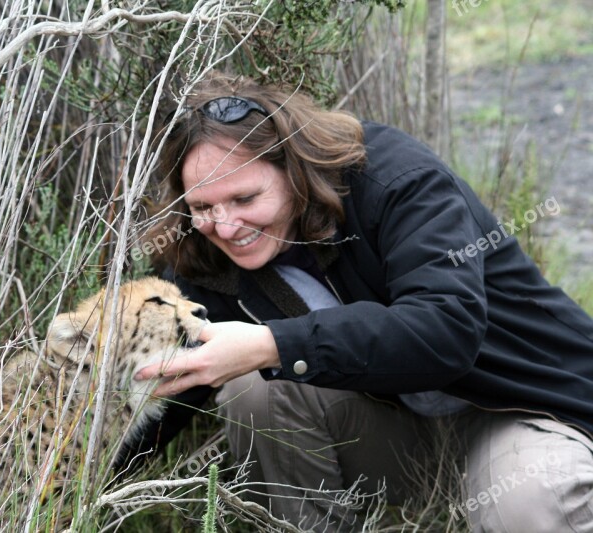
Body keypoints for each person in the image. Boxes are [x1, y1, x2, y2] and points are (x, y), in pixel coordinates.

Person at [133, 73, 593, 532]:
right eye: (203, 206)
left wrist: (274, 344)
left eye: (245, 197)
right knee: (254, 391)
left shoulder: (395, 180)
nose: (226, 226)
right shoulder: (204, 250)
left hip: (520, 410)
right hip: (398, 435)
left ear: (293, 168)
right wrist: (73, 473)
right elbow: (168, 393)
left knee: (531, 503)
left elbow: (445, 331)